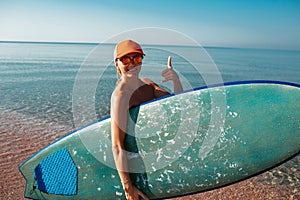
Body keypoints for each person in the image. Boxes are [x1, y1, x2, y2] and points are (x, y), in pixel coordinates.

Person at [110, 39, 183, 200]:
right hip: (137, 169)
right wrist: (128, 188)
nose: (132, 64)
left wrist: (176, 80)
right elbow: (117, 145)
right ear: (117, 64)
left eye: (137, 58)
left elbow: (178, 105)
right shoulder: (120, 96)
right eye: (125, 60)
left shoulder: (148, 84)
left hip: (156, 159)